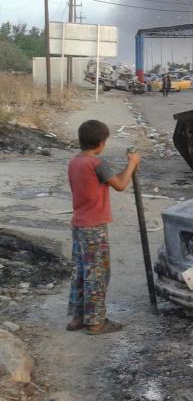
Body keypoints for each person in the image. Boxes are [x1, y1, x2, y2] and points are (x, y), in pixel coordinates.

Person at [66, 120, 141, 334]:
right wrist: (132, 164)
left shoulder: (74, 162)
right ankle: (96, 321)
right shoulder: (97, 164)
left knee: (81, 271)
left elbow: (102, 182)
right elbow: (120, 185)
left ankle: (77, 317)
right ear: (101, 143)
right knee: (97, 273)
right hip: (94, 227)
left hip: (79, 224)